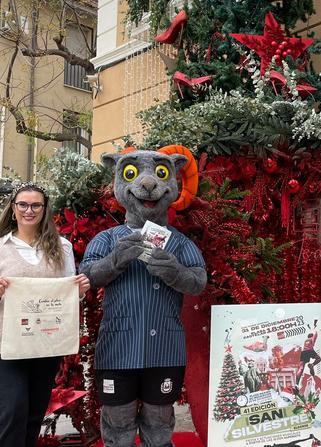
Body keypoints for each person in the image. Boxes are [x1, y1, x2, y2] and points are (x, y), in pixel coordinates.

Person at [80, 150, 206, 447]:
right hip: (118, 350)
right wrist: (114, 261)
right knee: (118, 422)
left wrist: (175, 271)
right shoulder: (107, 239)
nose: (148, 185)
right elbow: (86, 278)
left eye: (161, 175)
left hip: (165, 349)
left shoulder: (179, 242)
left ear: (174, 182)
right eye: (132, 174)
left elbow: (198, 282)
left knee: (159, 422)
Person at [0, 183, 90, 447]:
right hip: (1, 345)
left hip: (43, 344)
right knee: (12, 409)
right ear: (13, 209)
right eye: (23, 205)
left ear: (44, 209)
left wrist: (79, 290)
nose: (29, 210)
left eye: (36, 205)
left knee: (34, 413)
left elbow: (65, 294)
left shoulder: (62, 247)